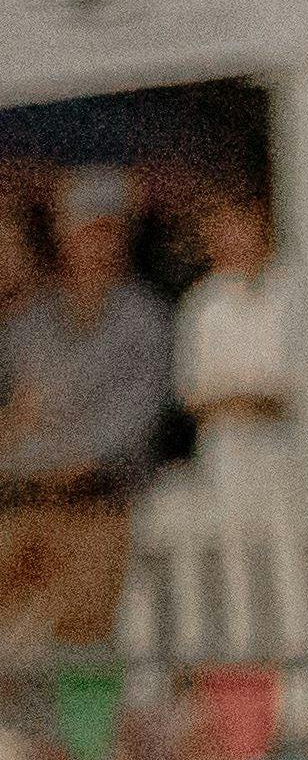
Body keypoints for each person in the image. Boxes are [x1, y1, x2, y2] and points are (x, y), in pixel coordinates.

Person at [0, 174, 171, 644]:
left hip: (103, 503)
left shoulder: (145, 319)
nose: (98, 243)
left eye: (108, 230)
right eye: (86, 230)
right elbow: (18, 413)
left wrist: (66, 457)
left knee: (85, 631)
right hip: (27, 500)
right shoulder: (31, 325)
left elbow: (135, 420)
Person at [170, 188, 302, 496]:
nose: (234, 238)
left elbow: (301, 384)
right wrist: (237, 402)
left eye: (243, 225)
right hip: (225, 460)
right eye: (224, 227)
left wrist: (257, 402)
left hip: (287, 453)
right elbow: (191, 393)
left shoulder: (294, 294)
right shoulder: (201, 304)